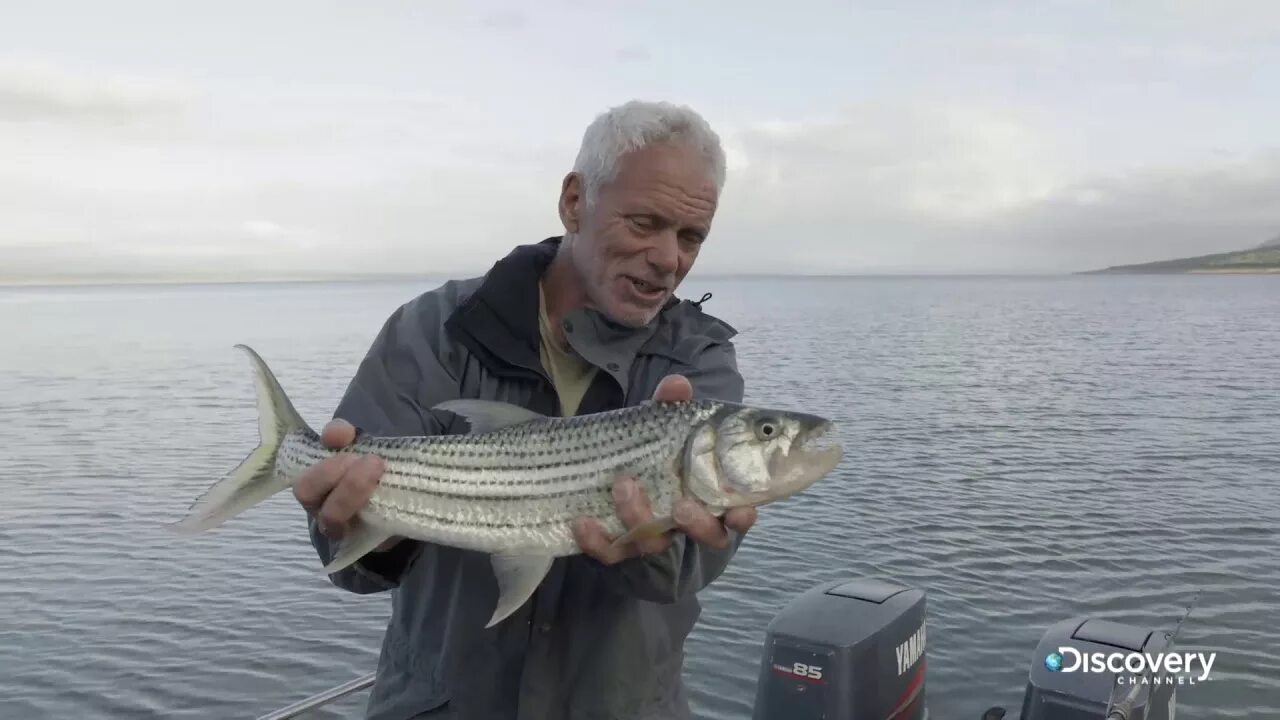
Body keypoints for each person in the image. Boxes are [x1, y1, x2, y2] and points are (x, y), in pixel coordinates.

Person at [293, 99, 757, 720]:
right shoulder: (435, 331)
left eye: (690, 236)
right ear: (573, 202)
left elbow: (690, 570)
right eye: (644, 223)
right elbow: (347, 565)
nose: (668, 259)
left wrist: (660, 546)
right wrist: (357, 527)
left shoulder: (699, 360)